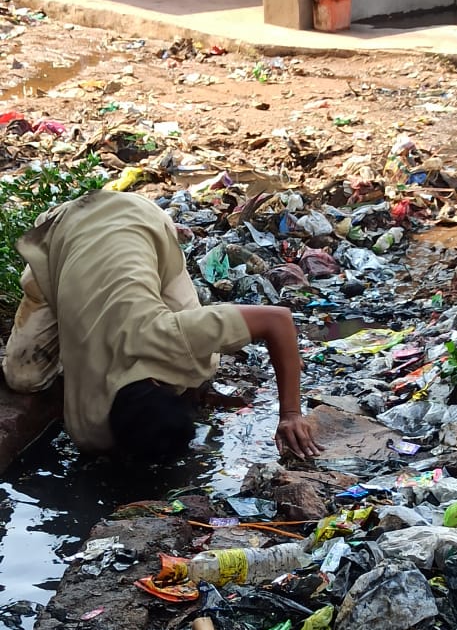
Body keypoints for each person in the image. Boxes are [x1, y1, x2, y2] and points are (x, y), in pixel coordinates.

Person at [2, 189, 323, 462]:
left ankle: (92, 317)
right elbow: (278, 318)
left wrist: (291, 415)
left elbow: (278, 319)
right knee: (23, 377)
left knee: (202, 356)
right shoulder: (85, 429)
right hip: (68, 229)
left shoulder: (174, 337)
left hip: (139, 232)